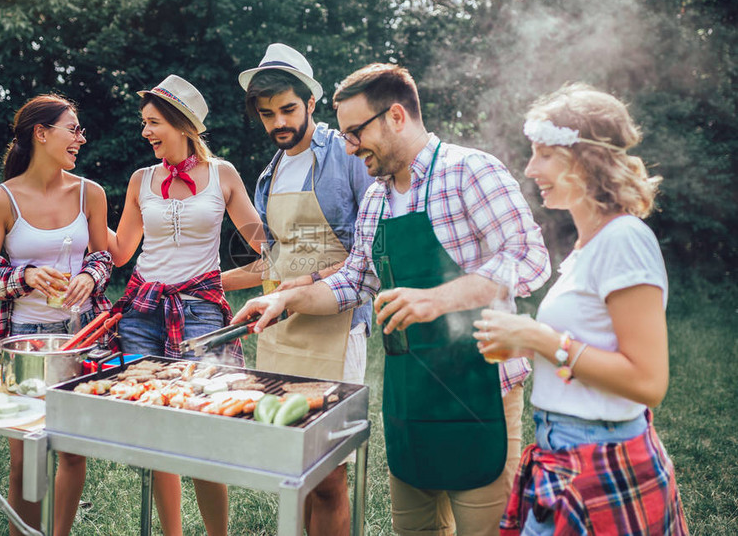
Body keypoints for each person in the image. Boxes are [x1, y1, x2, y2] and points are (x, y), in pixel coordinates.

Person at [233, 63, 551, 536]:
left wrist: (438, 300)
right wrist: (288, 300)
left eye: (355, 132)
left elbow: (530, 259)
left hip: (479, 389)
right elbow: (352, 283)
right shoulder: (377, 199)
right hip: (409, 392)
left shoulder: (469, 170)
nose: (348, 145)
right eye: (343, 135)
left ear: (397, 116)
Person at [472, 83, 689, 535]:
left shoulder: (625, 240)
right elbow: (584, 353)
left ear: (586, 159)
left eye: (543, 155)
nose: (530, 168)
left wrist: (540, 340)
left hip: (601, 458)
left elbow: (648, 382)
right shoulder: (587, 247)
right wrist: (530, 345)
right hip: (565, 454)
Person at [221, 42, 375, 535]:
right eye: (267, 114)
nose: (278, 123)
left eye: (288, 109)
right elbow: (276, 259)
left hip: (335, 325)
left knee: (328, 476)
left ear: (312, 102)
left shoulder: (347, 156)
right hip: (282, 331)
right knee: (295, 470)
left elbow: (369, 250)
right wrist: (211, 281)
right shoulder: (270, 172)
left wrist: (304, 282)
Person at [107, 74, 263, 536]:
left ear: (181, 124)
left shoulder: (223, 174)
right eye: (144, 123)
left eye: (153, 122)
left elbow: (264, 250)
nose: (145, 132)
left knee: (204, 425)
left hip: (200, 315)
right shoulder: (141, 179)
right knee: (153, 425)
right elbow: (121, 252)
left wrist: (217, 282)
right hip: (141, 314)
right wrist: (89, 206)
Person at [0, 94, 112, 536]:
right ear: (41, 133)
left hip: (81, 334)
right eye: (73, 128)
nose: (80, 139)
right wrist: (26, 275)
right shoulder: (1, 199)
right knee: (25, 457)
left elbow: (104, 256)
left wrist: (90, 275)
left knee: (71, 452)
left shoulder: (91, 192)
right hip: (25, 337)